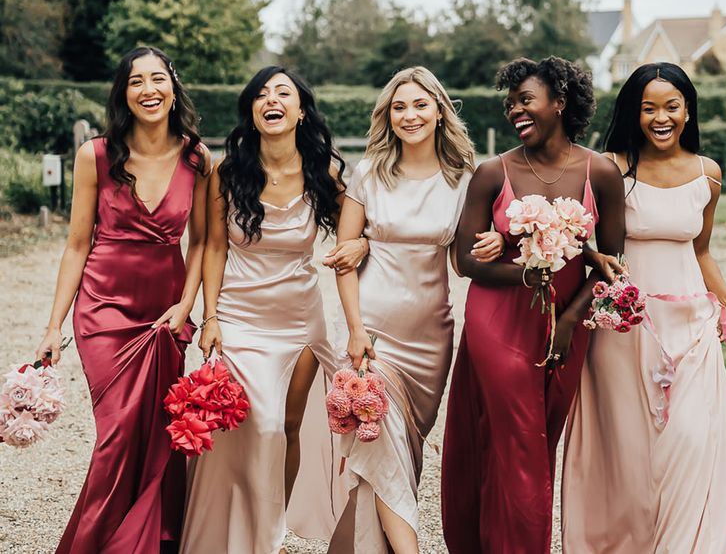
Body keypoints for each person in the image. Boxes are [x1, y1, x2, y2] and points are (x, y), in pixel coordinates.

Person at [561, 62, 726, 553]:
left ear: (688, 111)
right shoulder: (610, 167)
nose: (661, 117)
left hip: (691, 327)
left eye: (672, 106)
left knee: (691, 441)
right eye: (649, 108)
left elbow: (701, 250)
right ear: (635, 112)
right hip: (622, 329)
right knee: (627, 450)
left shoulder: (708, 174)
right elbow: (582, 240)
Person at [440, 56, 626, 554]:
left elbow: (611, 262)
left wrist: (569, 320)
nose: (514, 110)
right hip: (497, 320)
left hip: (568, 323)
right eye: (511, 102)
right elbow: (464, 261)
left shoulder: (601, 172)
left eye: (526, 100)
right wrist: (528, 270)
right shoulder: (490, 174)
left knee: (537, 441)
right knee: (520, 441)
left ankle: (491, 540)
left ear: (559, 103)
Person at [180, 66, 366, 554]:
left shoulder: (324, 170)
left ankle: (272, 532)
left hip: (301, 319)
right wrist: (212, 316)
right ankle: (234, 527)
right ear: (253, 112)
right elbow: (214, 248)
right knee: (250, 426)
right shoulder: (228, 170)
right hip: (240, 315)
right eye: (261, 94)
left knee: (285, 426)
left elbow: (360, 225)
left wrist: (361, 245)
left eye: (283, 92)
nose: (271, 100)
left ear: (301, 110)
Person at [36, 46, 210, 554]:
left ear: (173, 88)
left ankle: (154, 539)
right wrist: (54, 326)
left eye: (158, 79)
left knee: (160, 436)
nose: (149, 90)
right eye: (137, 82)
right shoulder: (95, 155)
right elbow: (76, 244)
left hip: (165, 312)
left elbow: (200, 241)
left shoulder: (196, 155)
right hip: (103, 310)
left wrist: (187, 304)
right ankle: (94, 544)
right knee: (117, 437)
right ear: (123, 93)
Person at [327, 66, 504, 554]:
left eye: (420, 105)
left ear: (440, 111)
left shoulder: (465, 178)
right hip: (375, 330)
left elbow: (459, 261)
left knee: (404, 450)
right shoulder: (367, 173)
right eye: (399, 106)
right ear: (388, 115)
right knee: (378, 437)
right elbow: (343, 258)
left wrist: (492, 242)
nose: (410, 115)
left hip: (432, 334)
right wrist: (355, 329)